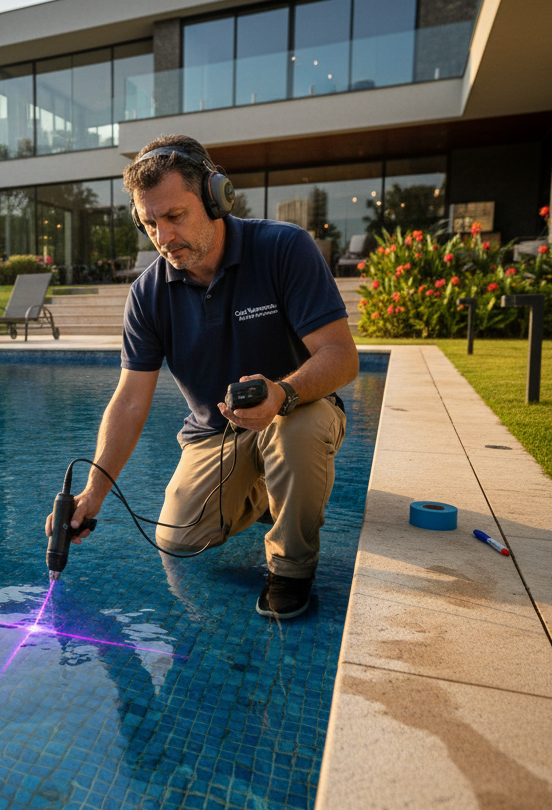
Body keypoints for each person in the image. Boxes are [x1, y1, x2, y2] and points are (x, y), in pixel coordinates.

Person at [45, 135, 359, 619]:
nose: (164, 236)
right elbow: (130, 400)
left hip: (298, 411)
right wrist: (93, 493)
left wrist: (284, 392)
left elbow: (341, 356)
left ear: (216, 198)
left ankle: (291, 568)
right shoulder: (148, 295)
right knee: (178, 538)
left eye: (175, 216)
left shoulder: (282, 248)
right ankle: (267, 494)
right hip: (216, 437)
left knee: (297, 435)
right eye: (150, 223)